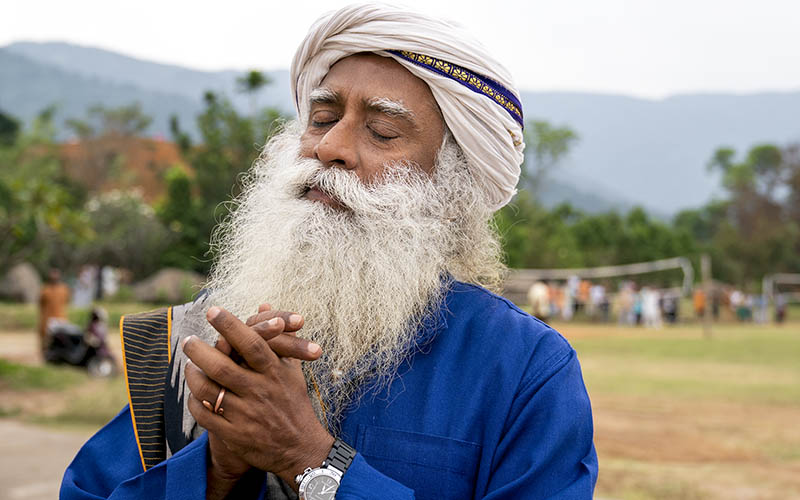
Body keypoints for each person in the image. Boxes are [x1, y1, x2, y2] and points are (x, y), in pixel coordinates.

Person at [61, 5, 597, 499]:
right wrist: (217, 470)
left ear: (453, 192)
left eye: (382, 131)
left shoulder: (526, 370)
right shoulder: (207, 336)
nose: (330, 147)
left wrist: (308, 458)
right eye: (322, 118)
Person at [38, 268, 70, 355]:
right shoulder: (45, 290)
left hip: (60, 317)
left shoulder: (64, 289)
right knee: (46, 338)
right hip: (48, 318)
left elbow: (66, 301)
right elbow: (41, 304)